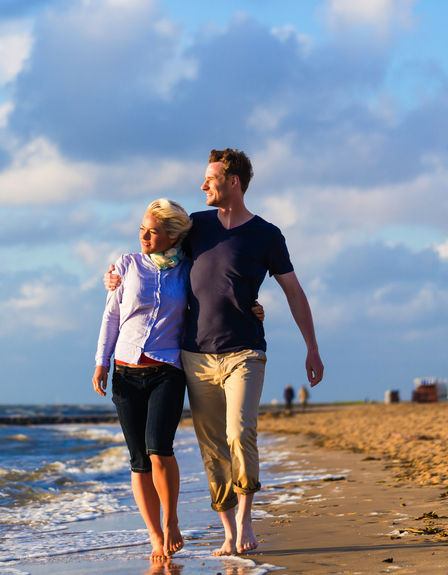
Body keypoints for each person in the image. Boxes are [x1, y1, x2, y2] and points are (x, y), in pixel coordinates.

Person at [105, 148, 324, 557]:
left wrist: (312, 347)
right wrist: (116, 275)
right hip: (195, 354)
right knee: (212, 447)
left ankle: (245, 519)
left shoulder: (267, 235)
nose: (203, 185)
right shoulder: (198, 227)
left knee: (239, 432)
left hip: (245, 351)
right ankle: (227, 530)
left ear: (233, 181)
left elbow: (293, 291)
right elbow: (156, 254)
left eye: (211, 178)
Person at [93, 198, 265, 562]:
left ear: (172, 236)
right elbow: (111, 317)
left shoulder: (187, 269)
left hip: (167, 370)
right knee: (139, 459)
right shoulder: (127, 265)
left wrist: (251, 307)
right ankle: (155, 535)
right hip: (125, 371)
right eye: (142, 229)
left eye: (152, 231)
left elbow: (214, 298)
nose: (143, 236)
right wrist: (101, 362)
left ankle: (171, 521)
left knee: (159, 450)